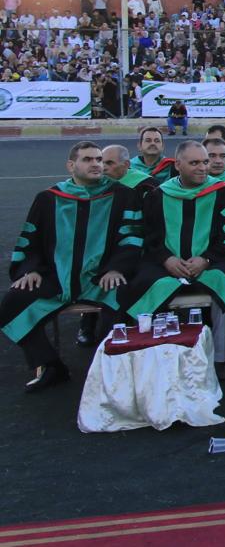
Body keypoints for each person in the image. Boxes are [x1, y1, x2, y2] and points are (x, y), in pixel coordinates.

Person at [1, 142, 143, 391]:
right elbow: (31, 240)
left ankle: (106, 366)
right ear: (71, 165)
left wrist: (117, 268)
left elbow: (132, 238)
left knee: (126, 297)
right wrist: (29, 269)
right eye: (88, 159)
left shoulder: (123, 196)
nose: (96, 164)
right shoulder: (48, 199)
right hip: (56, 277)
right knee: (12, 303)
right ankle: (50, 365)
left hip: (100, 278)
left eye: (99, 159)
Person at [125, 141, 225, 379]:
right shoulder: (157, 195)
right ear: (178, 165)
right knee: (144, 284)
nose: (203, 168)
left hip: (211, 263)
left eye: (205, 162)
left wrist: (206, 259)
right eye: (195, 163)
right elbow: (148, 237)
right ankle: (151, 355)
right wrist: (166, 259)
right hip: (167, 265)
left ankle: (220, 358)